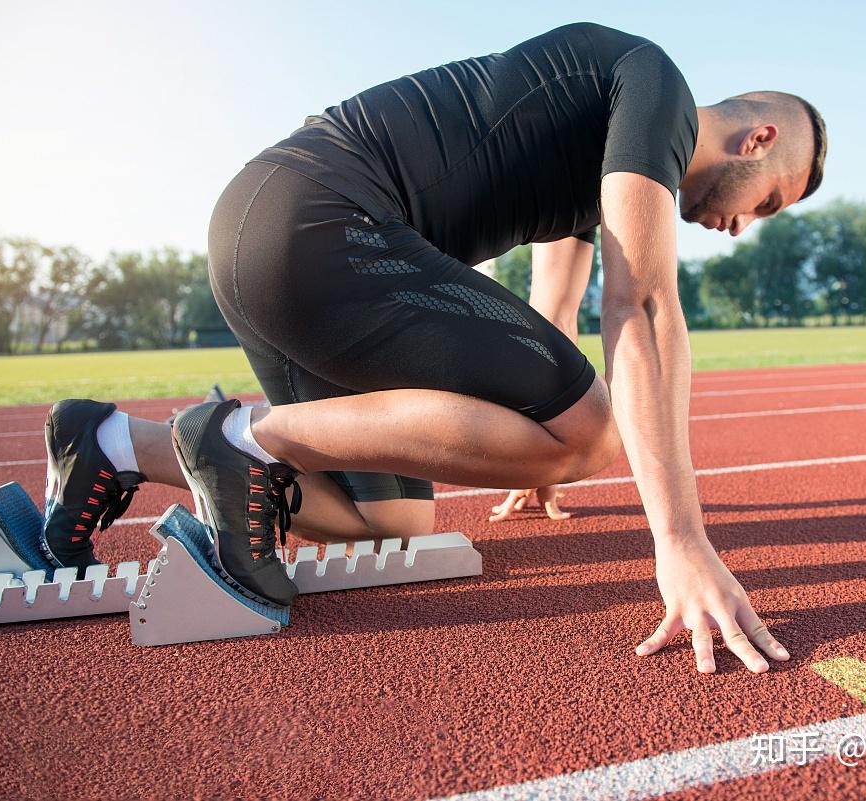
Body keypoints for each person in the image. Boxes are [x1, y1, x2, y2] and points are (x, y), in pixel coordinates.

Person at [40, 22, 826, 674]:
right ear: (757, 140)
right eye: (769, 203)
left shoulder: (612, 164)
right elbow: (645, 306)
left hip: (265, 237)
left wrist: (532, 460)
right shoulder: (654, 83)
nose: (744, 225)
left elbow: (553, 312)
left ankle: (113, 442)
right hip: (318, 223)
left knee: (388, 515)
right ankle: (241, 438)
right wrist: (680, 539)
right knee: (592, 431)